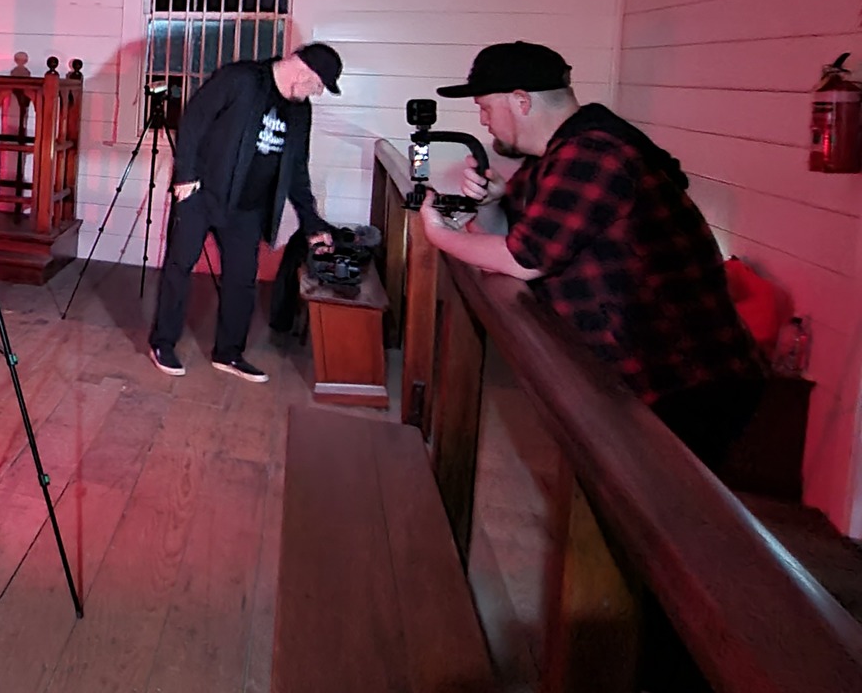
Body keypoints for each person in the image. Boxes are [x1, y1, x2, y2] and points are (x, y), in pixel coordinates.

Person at [417, 41, 765, 468]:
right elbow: (507, 238)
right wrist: (490, 203)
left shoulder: (593, 153)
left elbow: (523, 259)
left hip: (685, 377)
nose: (483, 120)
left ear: (521, 101)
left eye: (485, 107)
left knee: (658, 497)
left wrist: (437, 234)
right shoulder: (555, 157)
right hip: (650, 373)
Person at [149, 44, 340, 382]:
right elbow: (194, 120)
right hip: (201, 193)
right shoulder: (241, 79)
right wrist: (185, 176)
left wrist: (312, 222)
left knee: (242, 279)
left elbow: (297, 169)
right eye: (318, 85)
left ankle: (229, 353)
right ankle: (162, 343)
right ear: (303, 72)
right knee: (179, 267)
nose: (318, 93)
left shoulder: (300, 111)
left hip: (247, 208)